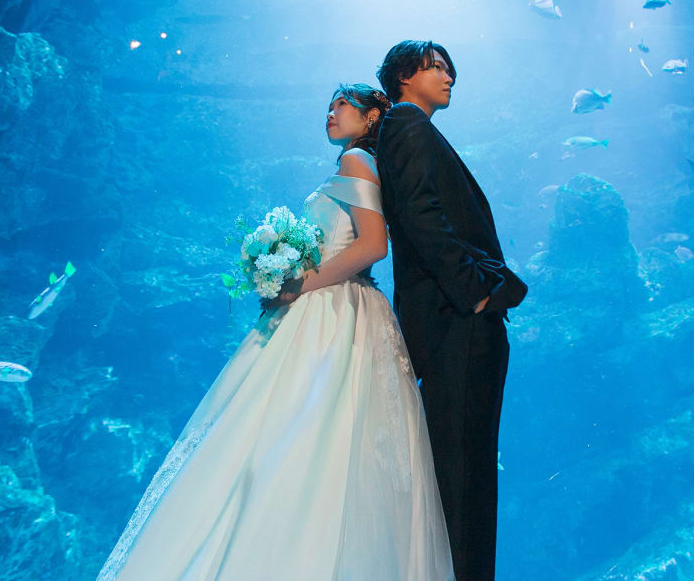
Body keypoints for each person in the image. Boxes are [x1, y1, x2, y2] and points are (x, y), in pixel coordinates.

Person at [95, 83, 455, 581]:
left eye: (343, 105)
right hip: (328, 307)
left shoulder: (356, 161)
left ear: (373, 117)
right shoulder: (351, 165)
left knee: (301, 431)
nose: (330, 113)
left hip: (337, 312)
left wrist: (301, 282)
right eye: (327, 106)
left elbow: (373, 245)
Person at [376, 41, 528, 581]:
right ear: (402, 75)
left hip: (459, 318)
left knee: (468, 469)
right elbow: (421, 215)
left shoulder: (416, 128)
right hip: (455, 319)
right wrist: (475, 293)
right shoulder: (405, 124)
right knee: (464, 474)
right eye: (435, 67)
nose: (448, 78)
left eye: (448, 69)